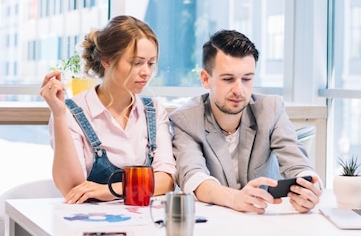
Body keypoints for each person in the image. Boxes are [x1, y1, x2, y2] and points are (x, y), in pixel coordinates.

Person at [170, 29, 322, 214]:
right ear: (205, 79)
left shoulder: (270, 109)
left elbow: (298, 163)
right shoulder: (186, 120)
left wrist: (308, 187)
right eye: (228, 79)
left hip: (266, 219)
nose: (239, 90)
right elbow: (193, 176)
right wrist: (235, 198)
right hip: (214, 224)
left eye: (247, 79)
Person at [40, 15, 176, 204]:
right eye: (137, 63)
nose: (146, 72)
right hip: (90, 225)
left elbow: (166, 180)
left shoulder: (153, 111)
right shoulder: (72, 112)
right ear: (107, 61)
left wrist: (109, 190)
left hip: (145, 223)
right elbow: (71, 188)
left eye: (151, 63)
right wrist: (59, 115)